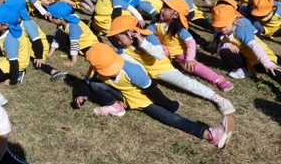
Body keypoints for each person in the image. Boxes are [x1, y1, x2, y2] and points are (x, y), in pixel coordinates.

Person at [73, 43, 236, 149]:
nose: (112, 71)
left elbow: (154, 91)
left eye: (112, 67)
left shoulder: (132, 70)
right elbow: (87, 83)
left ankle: (212, 135)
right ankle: (116, 108)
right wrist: (81, 95)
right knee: (95, 85)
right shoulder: (95, 69)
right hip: (123, 98)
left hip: (145, 99)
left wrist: (171, 105)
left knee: (172, 119)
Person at [107, 15, 235, 115]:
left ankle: (218, 99)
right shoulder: (122, 50)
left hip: (162, 69)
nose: (118, 43)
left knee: (185, 82)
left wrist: (142, 42)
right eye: (116, 40)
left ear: (131, 33)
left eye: (119, 39)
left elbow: (159, 55)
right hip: (145, 74)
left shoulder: (148, 37)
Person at [149, 0, 233, 91]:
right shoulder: (157, 23)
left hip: (180, 51)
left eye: (166, 9)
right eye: (163, 7)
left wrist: (189, 58)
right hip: (165, 49)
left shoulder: (180, 29)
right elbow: (148, 33)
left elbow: (191, 42)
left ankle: (218, 79)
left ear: (175, 15)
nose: (161, 10)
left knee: (193, 66)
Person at [212, 4, 281, 83]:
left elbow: (256, 47)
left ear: (234, 21)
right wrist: (227, 45)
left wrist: (268, 64)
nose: (222, 29)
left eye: (224, 25)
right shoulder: (223, 35)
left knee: (270, 70)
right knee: (224, 51)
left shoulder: (241, 31)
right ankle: (244, 71)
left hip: (263, 56)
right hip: (250, 59)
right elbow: (218, 51)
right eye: (219, 27)